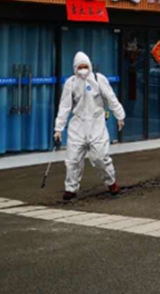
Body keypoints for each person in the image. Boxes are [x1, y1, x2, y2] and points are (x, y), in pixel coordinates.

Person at [54, 51, 125, 200]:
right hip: (78, 125)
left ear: (90, 66)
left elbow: (111, 98)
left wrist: (120, 116)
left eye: (85, 66)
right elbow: (65, 106)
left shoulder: (99, 79)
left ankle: (111, 182)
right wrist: (58, 128)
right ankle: (71, 188)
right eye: (79, 67)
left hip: (96, 124)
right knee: (72, 160)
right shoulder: (71, 83)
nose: (83, 69)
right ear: (75, 68)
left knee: (100, 157)